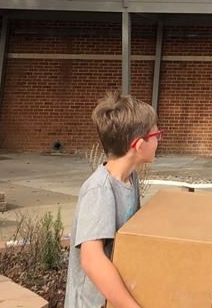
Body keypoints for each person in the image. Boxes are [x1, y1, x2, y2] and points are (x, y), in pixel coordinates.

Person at [65, 90, 162, 308]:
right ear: (138, 145)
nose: (159, 140)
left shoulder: (130, 178)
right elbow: (92, 260)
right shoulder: (99, 190)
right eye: (156, 135)